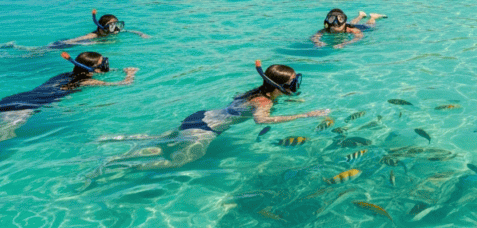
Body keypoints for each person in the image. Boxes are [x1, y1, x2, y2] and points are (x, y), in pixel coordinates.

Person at [102, 61, 328, 169]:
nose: (295, 86)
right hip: (205, 130)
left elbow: (238, 101)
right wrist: (304, 115)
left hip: (200, 116)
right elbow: (261, 120)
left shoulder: (254, 93)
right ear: (279, 85)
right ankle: (123, 166)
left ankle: (116, 144)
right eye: (292, 83)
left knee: (163, 138)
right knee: (178, 162)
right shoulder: (264, 101)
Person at [0, 51, 136, 143]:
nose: (105, 65)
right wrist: (130, 73)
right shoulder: (86, 82)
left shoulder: (64, 75)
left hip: (9, 100)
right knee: (0, 137)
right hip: (22, 109)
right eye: (101, 64)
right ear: (91, 69)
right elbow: (124, 85)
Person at [51, 9, 150, 46]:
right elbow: (74, 41)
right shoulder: (92, 35)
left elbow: (129, 31)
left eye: (117, 25)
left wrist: (142, 34)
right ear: (102, 27)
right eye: (112, 25)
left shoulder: (114, 31)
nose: (115, 28)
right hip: (65, 44)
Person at [311, 8, 386, 48]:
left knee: (370, 25)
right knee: (351, 23)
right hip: (348, 24)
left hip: (362, 27)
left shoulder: (350, 29)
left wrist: (344, 44)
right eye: (334, 26)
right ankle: (361, 15)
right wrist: (317, 42)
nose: (336, 27)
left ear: (343, 24)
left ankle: (373, 17)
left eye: (339, 25)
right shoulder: (326, 30)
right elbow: (315, 37)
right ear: (328, 25)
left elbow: (359, 37)